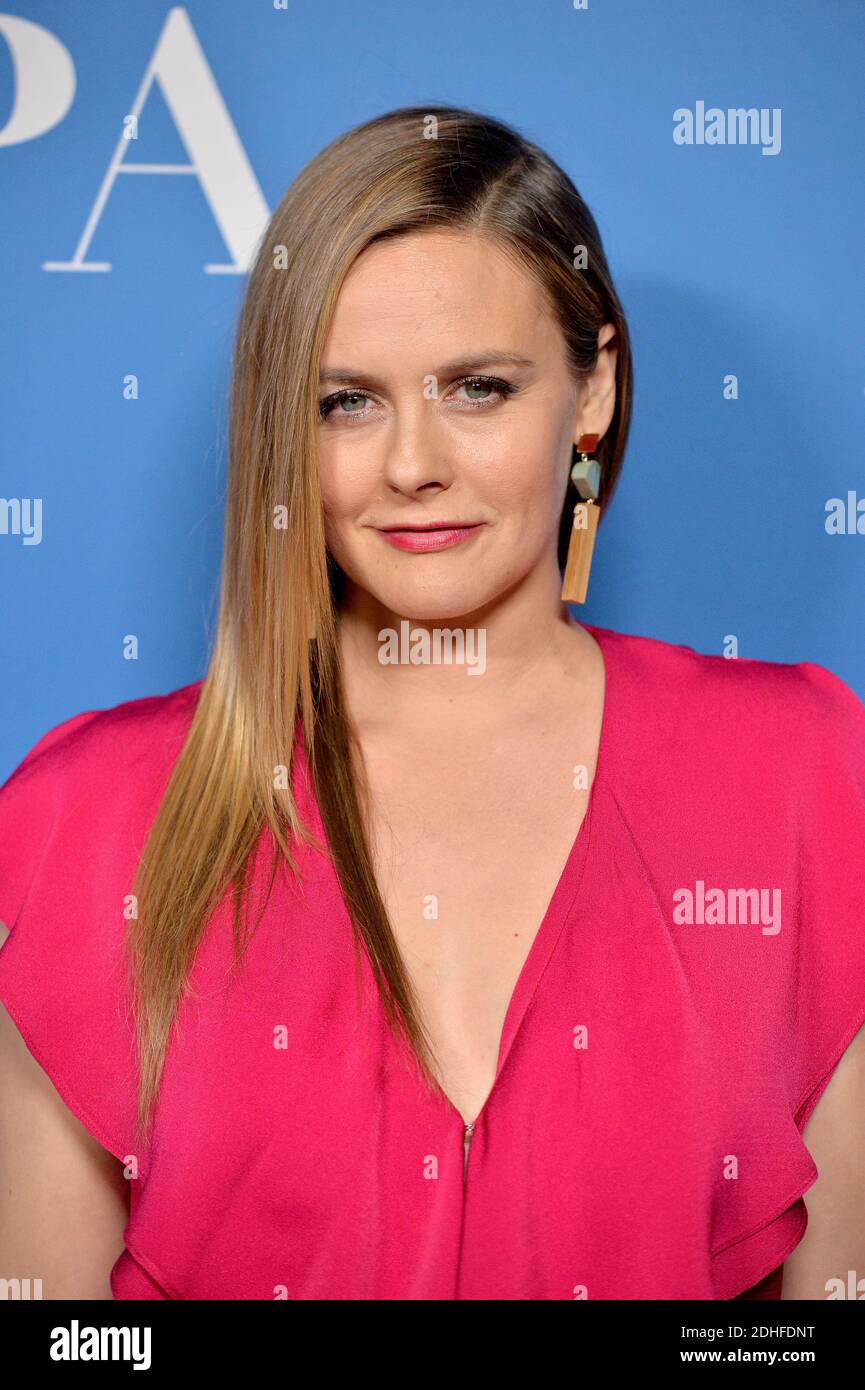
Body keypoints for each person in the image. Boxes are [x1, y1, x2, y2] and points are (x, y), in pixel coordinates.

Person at [1, 105, 864, 1302]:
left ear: (594, 386)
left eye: (477, 388)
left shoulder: (802, 773)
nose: (413, 463)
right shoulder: (87, 813)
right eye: (345, 400)